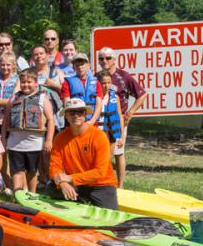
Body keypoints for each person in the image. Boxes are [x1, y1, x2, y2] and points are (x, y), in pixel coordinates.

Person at [48, 98, 118, 209]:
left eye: (80, 112)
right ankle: (81, 200)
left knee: (112, 217)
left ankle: (82, 200)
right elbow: (54, 167)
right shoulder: (59, 138)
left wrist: (69, 178)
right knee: (51, 188)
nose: (76, 115)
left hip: (101, 184)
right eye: (72, 112)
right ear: (66, 115)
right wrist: (62, 183)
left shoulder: (99, 136)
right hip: (76, 184)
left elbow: (100, 172)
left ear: (85, 114)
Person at [97, 46, 146, 188]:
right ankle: (103, 182)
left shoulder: (124, 76)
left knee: (119, 152)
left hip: (118, 119)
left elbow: (142, 95)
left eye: (108, 58)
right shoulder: (97, 76)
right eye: (101, 58)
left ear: (114, 59)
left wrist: (130, 112)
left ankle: (121, 185)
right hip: (101, 120)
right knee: (102, 153)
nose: (104, 61)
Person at [2, 69, 55, 193]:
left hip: (34, 143)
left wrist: (48, 140)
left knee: (31, 172)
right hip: (15, 143)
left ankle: (32, 194)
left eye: (29, 82)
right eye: (23, 82)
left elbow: (51, 120)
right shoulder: (14, 97)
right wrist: (3, 138)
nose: (25, 85)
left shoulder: (42, 98)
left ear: (36, 83)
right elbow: (6, 120)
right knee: (16, 171)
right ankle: (17, 194)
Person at [95, 69, 127, 187]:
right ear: (98, 83)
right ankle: (101, 184)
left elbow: (120, 116)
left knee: (108, 160)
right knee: (100, 160)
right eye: (103, 83)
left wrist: (122, 136)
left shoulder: (115, 97)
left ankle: (110, 185)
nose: (106, 85)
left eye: (109, 82)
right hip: (99, 133)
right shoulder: (95, 97)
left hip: (112, 134)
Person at [60, 52, 104, 126]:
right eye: (77, 65)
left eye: (82, 64)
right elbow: (66, 104)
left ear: (88, 65)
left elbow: (99, 104)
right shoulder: (67, 83)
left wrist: (92, 121)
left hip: (92, 123)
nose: (80, 67)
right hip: (74, 123)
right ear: (73, 67)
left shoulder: (96, 82)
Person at [30, 44, 64, 128]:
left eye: (41, 53)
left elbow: (66, 92)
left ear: (47, 55)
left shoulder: (57, 71)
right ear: (32, 58)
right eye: (36, 54)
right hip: (34, 117)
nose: (39, 56)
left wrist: (54, 85)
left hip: (56, 117)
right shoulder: (29, 74)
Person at [0, 51, 20, 134]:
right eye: (3, 65)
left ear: (13, 65)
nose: (5, 67)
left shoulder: (17, 79)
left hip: (10, 117)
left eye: (8, 65)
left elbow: (14, 99)